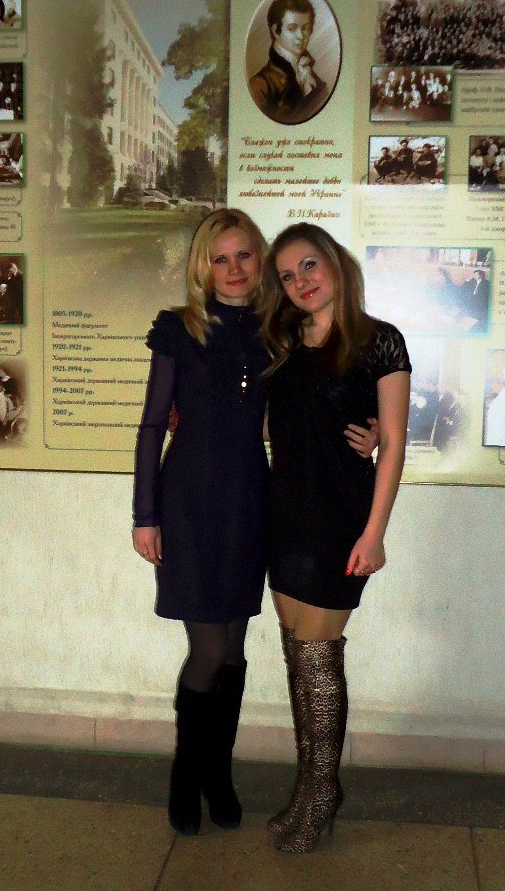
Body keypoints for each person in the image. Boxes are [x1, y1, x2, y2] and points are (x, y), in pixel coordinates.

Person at [132, 209, 379, 839]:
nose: (234, 268)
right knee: (208, 651)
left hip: (250, 501)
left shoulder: (280, 332)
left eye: (244, 255)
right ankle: (187, 778)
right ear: (203, 267)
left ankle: (220, 777)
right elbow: (152, 426)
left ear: (259, 261)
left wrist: (371, 426)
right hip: (189, 503)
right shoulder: (178, 330)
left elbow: (322, 392)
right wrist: (145, 516)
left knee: (236, 651)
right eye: (220, 258)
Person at [261, 223, 411, 853]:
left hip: (340, 520)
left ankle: (323, 793)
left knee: (320, 659)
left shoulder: (379, 341)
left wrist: (374, 534)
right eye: (287, 275)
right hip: (284, 515)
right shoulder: (281, 342)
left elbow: (394, 443)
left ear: (336, 263)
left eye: (309, 265)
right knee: (298, 656)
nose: (300, 282)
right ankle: (309, 786)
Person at [248, 0, 328, 125]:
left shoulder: (308, 72)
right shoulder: (260, 84)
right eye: (292, 29)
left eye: (305, 28)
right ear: (276, 31)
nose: (301, 36)